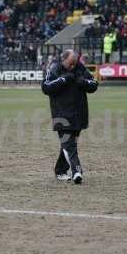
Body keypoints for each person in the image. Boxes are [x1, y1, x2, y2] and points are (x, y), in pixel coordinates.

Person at [41, 50, 98, 184]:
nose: (73, 66)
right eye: (70, 64)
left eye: (75, 63)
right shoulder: (54, 69)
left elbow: (94, 85)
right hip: (61, 115)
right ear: (63, 59)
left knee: (69, 144)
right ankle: (77, 171)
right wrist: (63, 79)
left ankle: (60, 170)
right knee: (70, 145)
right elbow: (45, 88)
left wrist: (81, 81)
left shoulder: (80, 68)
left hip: (79, 114)